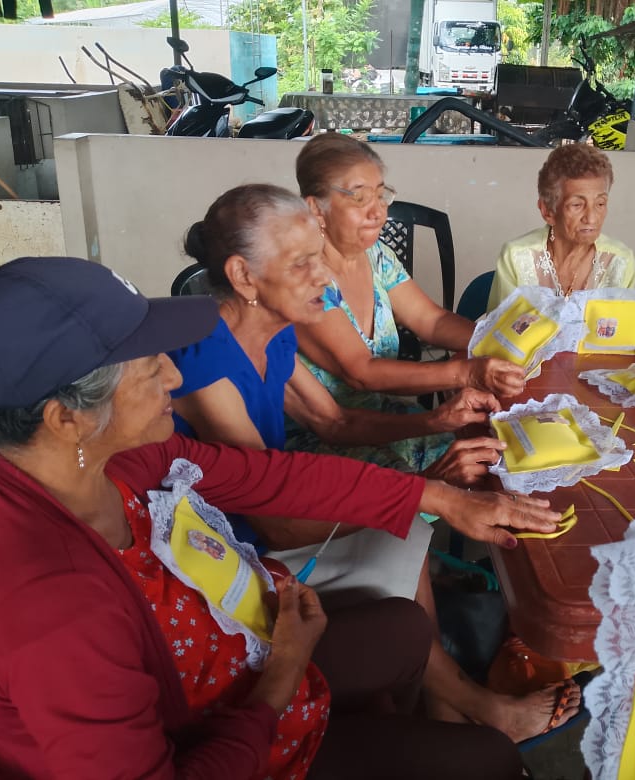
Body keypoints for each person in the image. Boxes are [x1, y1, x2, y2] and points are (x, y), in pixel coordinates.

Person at [0, 257, 562, 779]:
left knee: (403, 629)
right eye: (148, 367)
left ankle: (416, 722)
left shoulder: (114, 464)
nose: (173, 373)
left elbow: (271, 477)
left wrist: (442, 499)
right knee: (488, 760)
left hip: (232, 673)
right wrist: (282, 675)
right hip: (229, 736)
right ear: (67, 419)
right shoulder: (54, 611)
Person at [170, 183, 582, 743]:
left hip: (273, 519)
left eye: (319, 256)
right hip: (233, 553)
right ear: (244, 276)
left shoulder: (272, 330)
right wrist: (426, 487)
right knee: (406, 537)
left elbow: (335, 422)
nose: (324, 276)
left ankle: (440, 716)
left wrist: (436, 421)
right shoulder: (205, 361)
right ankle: (469, 711)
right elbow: (274, 521)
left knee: (409, 536)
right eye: (303, 263)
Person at [291, 132, 526, 470]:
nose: (378, 211)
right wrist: (466, 372)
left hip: (381, 417)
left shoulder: (376, 256)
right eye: (360, 198)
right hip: (325, 439)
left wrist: (499, 343)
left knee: (493, 453)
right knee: (468, 472)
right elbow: (361, 372)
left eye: (380, 194)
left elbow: (431, 321)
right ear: (316, 208)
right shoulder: (303, 279)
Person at [486, 144, 635, 356]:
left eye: (600, 204)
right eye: (577, 205)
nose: (591, 218)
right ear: (548, 211)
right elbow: (500, 340)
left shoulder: (620, 261)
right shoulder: (516, 257)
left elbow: (622, 341)